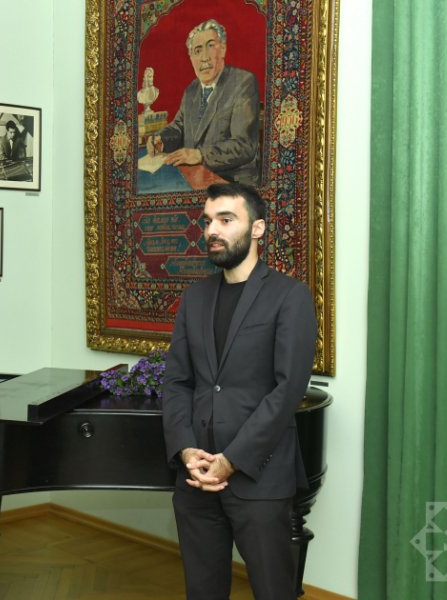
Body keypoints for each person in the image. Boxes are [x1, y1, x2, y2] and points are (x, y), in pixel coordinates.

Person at [162, 182, 316, 600]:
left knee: (273, 591)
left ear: (258, 228)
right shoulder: (194, 297)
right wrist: (186, 451)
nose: (212, 230)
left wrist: (231, 461)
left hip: (259, 478)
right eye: (208, 221)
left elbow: (287, 391)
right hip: (196, 480)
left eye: (226, 220)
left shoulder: (290, 296)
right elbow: (177, 381)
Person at [147, 19, 260, 187]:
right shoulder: (191, 90)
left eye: (211, 46)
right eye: (197, 50)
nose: (204, 57)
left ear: (223, 49)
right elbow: (178, 127)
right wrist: (161, 139)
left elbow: (244, 146)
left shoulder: (243, 83)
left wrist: (200, 155)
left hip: (232, 184)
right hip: (194, 178)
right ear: (191, 58)